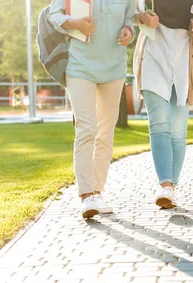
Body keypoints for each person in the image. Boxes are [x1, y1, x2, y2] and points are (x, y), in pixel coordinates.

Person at [48, 0, 136, 219]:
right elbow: (54, 15)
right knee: (86, 128)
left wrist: (128, 31)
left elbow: (129, 18)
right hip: (79, 66)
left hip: (114, 67)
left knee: (106, 133)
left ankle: (97, 193)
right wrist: (75, 23)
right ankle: (86, 196)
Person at [133, 0, 193, 209]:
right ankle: (165, 186)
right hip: (153, 52)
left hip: (184, 57)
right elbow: (130, 13)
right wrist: (141, 18)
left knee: (178, 129)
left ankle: (172, 186)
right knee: (158, 123)